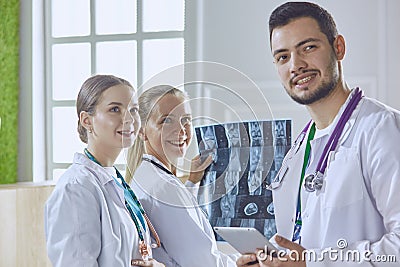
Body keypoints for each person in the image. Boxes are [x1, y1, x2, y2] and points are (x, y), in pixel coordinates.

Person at [237, 2, 400, 267]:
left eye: (308, 48)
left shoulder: (381, 129)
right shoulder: (298, 151)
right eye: (282, 57)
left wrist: (313, 262)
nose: (296, 65)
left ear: (338, 48)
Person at [44, 74, 165, 267]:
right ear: (87, 120)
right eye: (115, 109)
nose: (129, 119)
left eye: (134, 109)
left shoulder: (114, 179)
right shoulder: (76, 188)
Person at [126, 85, 238, 267]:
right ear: (142, 131)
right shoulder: (164, 187)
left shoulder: (146, 175)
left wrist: (193, 182)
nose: (181, 130)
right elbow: (205, 264)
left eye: (186, 119)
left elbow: (175, 224)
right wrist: (245, 262)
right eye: (167, 121)